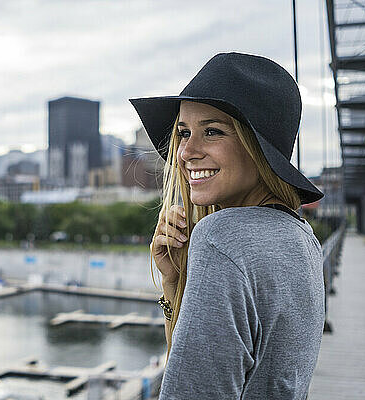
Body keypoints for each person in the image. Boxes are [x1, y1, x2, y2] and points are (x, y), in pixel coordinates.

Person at [129, 52, 325, 399]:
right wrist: (175, 282)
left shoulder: (221, 238)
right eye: (184, 132)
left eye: (213, 131)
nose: (187, 151)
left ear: (258, 149)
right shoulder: (302, 237)